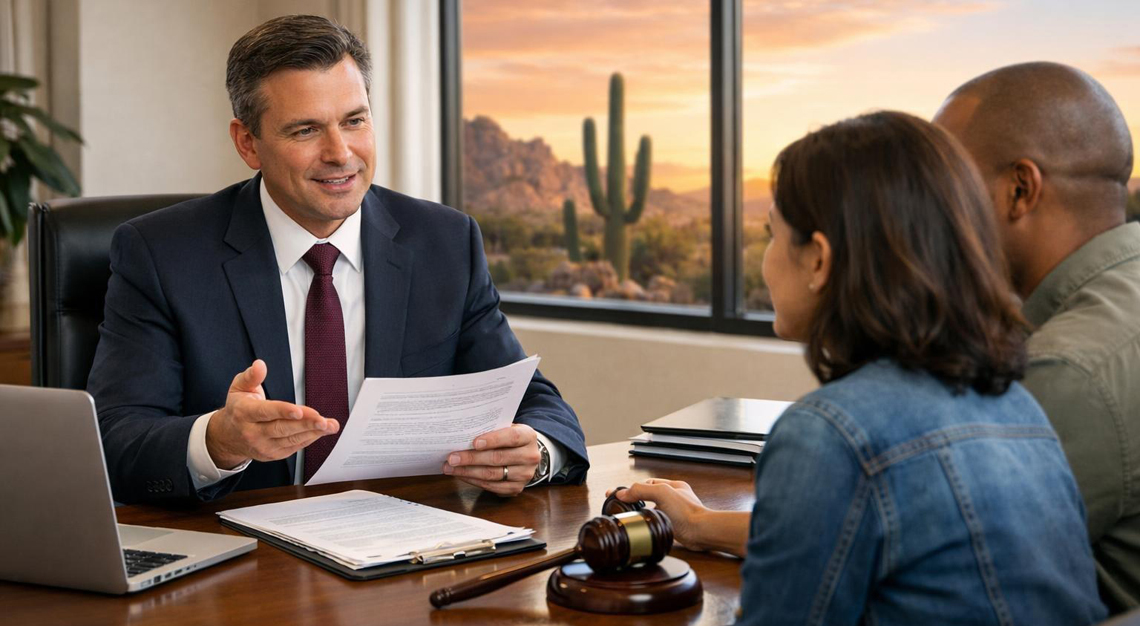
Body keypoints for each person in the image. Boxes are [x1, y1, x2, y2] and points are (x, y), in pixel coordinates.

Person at [612, 112, 1106, 625]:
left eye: (772, 236)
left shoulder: (829, 436)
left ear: (819, 259)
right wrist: (696, 523)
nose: (766, 259)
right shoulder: (1017, 406)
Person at [86, 15, 587, 505]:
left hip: (403, 546)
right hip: (245, 561)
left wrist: (536, 454)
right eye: (305, 130)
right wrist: (218, 441)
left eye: (355, 121)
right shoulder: (161, 253)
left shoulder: (444, 242)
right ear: (247, 143)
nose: (340, 153)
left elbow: (535, 404)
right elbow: (113, 441)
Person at [933, 62, 1140, 613]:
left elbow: (923, 552)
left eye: (945, 188)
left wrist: (701, 524)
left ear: (1019, 189)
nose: (931, 216)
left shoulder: (1069, 371)